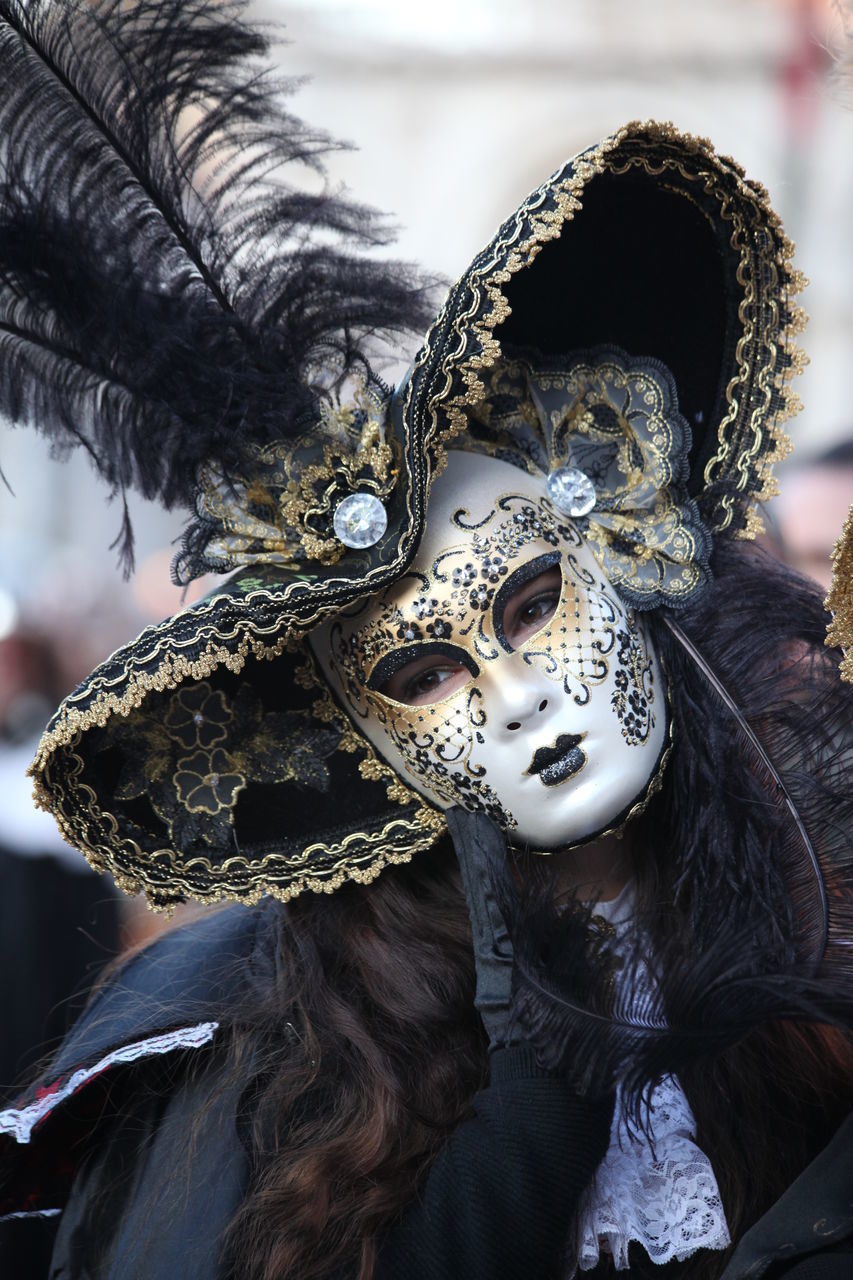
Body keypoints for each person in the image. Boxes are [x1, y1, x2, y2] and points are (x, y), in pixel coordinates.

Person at [0, 3, 852, 1278]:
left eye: (528, 606)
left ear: (620, 562)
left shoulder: (811, 898)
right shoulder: (266, 1056)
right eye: (424, 670)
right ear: (360, 742)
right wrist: (532, 1057)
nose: (512, 696)